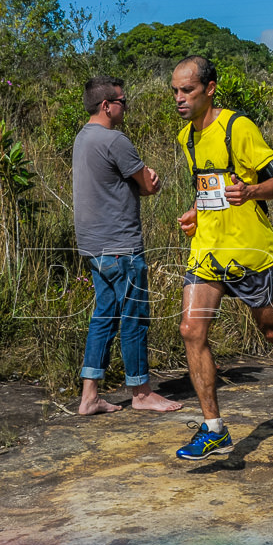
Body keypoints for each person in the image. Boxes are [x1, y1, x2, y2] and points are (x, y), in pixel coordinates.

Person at [170, 55, 273, 460]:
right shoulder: (186, 138)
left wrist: (252, 192)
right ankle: (214, 428)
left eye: (187, 90)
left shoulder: (238, 128)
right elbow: (208, 192)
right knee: (191, 331)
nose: (180, 98)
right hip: (207, 255)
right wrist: (194, 213)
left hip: (251, 254)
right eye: (175, 91)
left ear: (210, 88)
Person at [72, 75, 182, 415]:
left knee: (104, 316)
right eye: (122, 101)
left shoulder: (82, 138)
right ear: (107, 105)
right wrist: (153, 180)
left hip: (93, 246)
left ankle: (90, 396)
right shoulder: (115, 140)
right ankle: (141, 392)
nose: (125, 106)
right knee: (134, 316)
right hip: (120, 246)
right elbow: (148, 186)